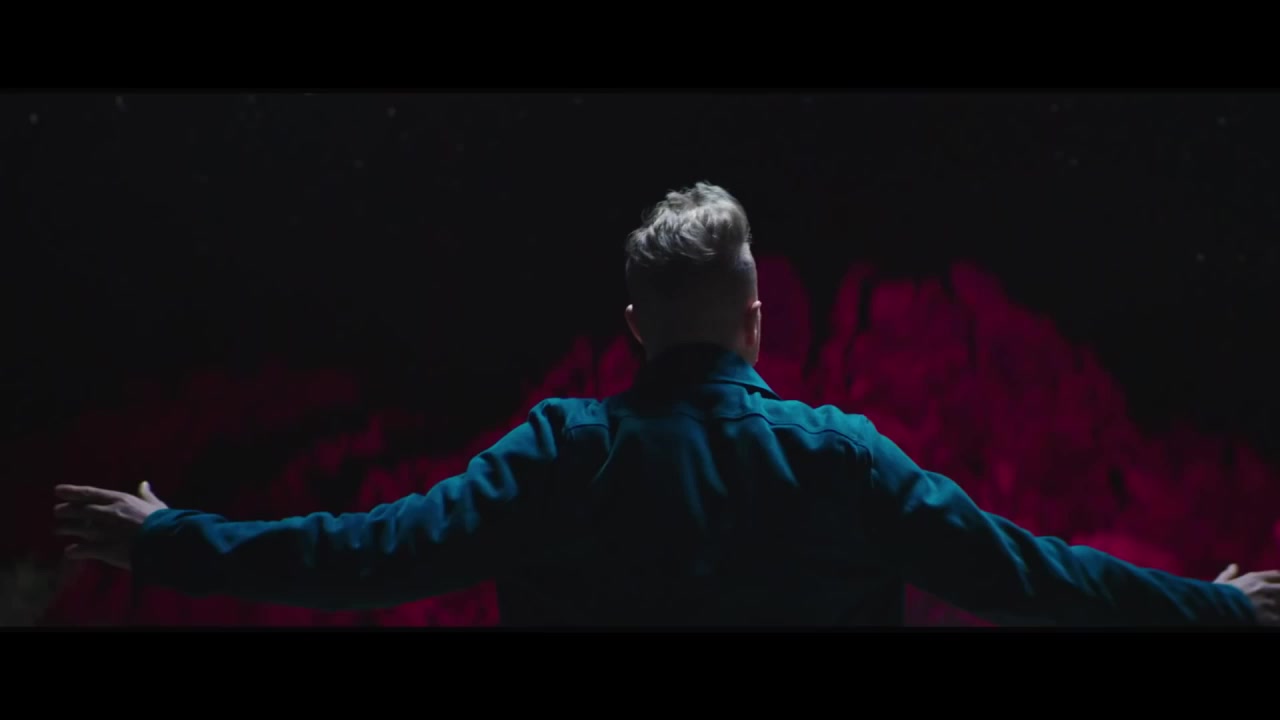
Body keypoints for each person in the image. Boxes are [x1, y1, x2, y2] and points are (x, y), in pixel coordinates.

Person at [54, 183, 1280, 626]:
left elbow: (364, 556)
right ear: (756, 317)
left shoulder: (558, 454)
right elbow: (1030, 575)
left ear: (633, 327)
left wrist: (170, 541)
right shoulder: (840, 459)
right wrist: (1215, 610)